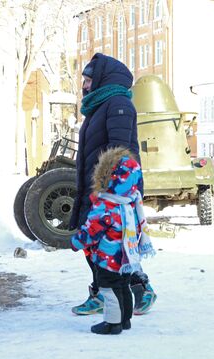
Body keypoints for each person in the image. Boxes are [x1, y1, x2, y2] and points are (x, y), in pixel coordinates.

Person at [69, 53, 157, 315]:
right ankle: (99, 293)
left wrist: (110, 195)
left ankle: (142, 289)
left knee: (113, 246)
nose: (84, 85)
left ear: (102, 79)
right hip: (94, 189)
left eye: (88, 79)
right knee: (93, 243)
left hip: (112, 193)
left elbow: (119, 153)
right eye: (84, 80)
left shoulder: (118, 104)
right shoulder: (99, 106)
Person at [71, 147, 156, 334]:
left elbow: (91, 230)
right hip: (126, 257)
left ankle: (113, 323)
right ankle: (125, 320)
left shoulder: (106, 205)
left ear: (107, 177)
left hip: (108, 257)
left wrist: (76, 242)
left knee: (109, 288)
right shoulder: (131, 203)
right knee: (123, 285)